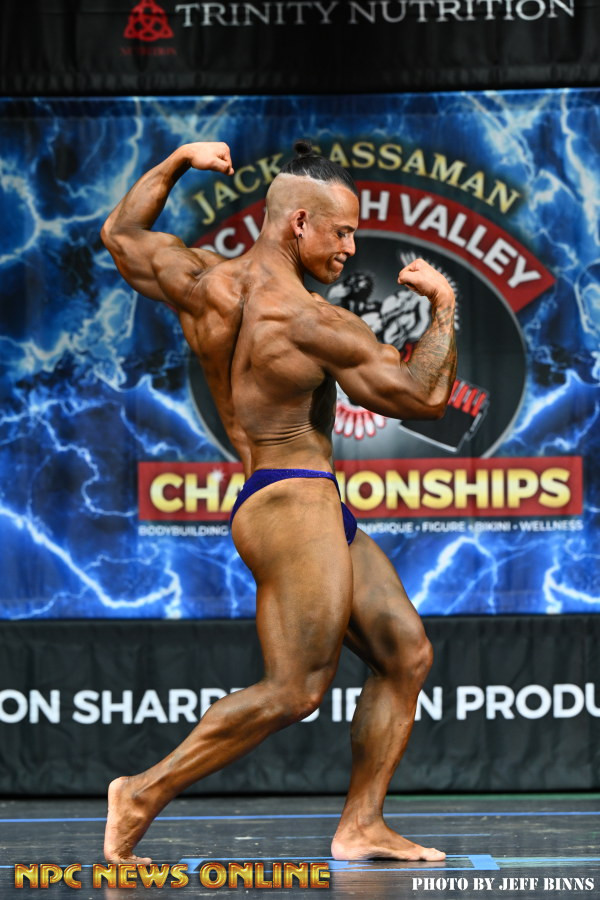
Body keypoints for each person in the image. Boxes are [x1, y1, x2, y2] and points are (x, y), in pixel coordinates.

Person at [100, 138, 457, 864]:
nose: (351, 248)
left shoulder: (204, 280)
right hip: (294, 501)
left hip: (293, 498)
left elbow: (122, 234)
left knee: (405, 652)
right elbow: (424, 398)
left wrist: (178, 160)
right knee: (296, 689)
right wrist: (444, 307)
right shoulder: (310, 321)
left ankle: (361, 825)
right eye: (342, 232)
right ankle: (140, 792)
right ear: (298, 222)